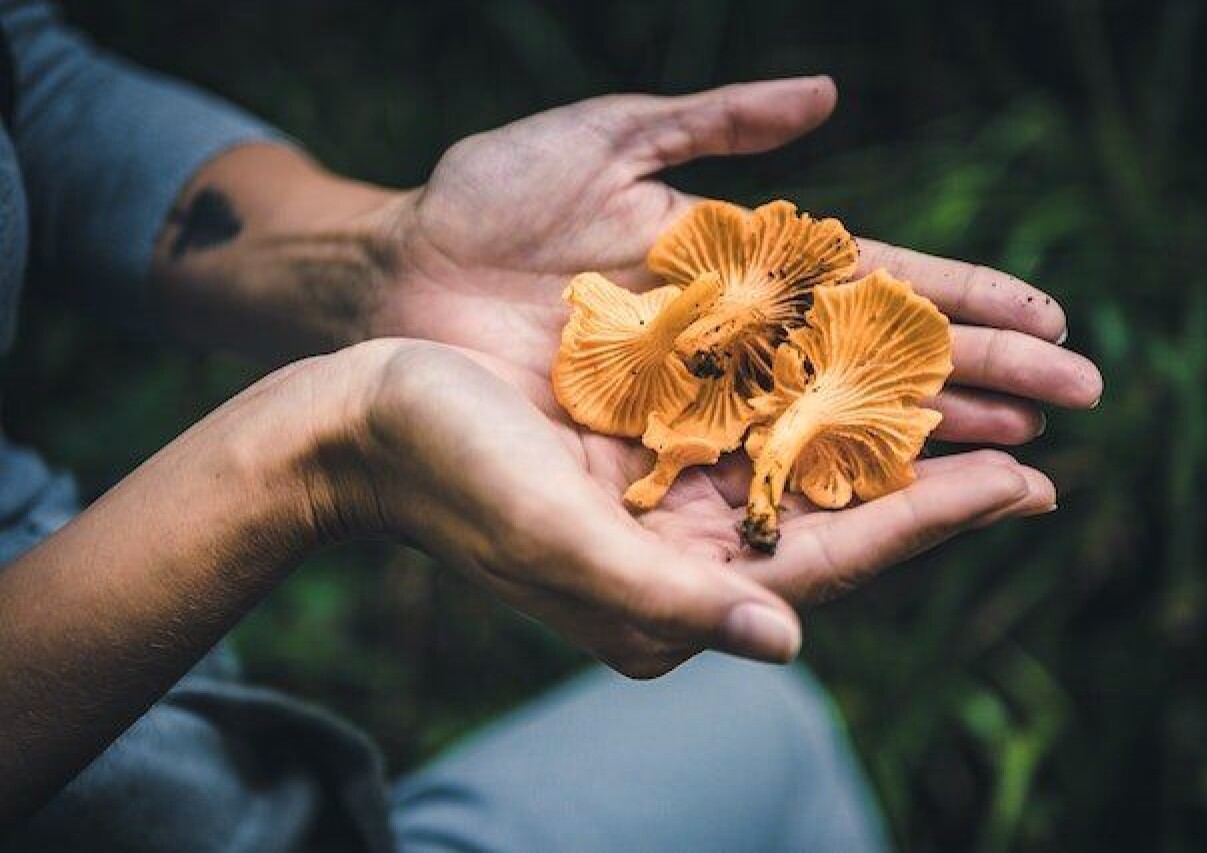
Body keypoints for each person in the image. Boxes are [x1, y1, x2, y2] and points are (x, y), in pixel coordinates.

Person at [0, 2, 1103, 850]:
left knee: (767, 722)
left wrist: (376, 257)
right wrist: (320, 453)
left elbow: (31, 91)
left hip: (230, 769)